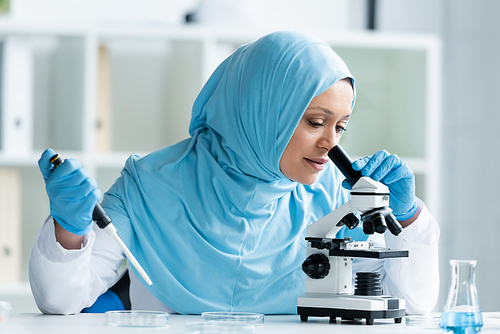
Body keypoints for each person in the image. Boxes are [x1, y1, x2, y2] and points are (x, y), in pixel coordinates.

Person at [29, 31, 440, 315]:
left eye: (341, 127)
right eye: (315, 122)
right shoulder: (148, 185)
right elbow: (60, 302)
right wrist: (69, 227)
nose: (331, 144)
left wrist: (407, 218)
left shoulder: (336, 198)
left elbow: (417, 305)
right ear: (260, 112)